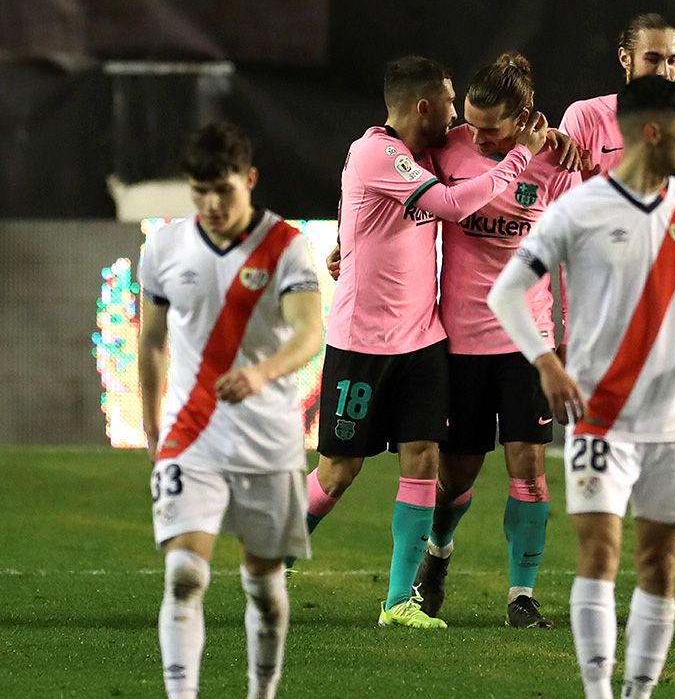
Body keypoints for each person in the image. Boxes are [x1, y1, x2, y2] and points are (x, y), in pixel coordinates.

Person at [489, 76, 675, 699]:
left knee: (659, 565)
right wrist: (543, 360)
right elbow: (507, 289)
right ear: (652, 133)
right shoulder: (580, 208)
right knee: (599, 553)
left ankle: (639, 693)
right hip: (602, 412)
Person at [302, 55, 549, 630]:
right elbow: (449, 203)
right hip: (378, 341)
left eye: (490, 124)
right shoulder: (397, 151)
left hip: (434, 339)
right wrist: (519, 156)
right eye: (452, 101)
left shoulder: (540, 158)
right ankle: (274, 556)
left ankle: (404, 602)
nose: (468, 124)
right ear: (425, 106)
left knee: (435, 460)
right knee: (341, 471)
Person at [558, 11, 675, 626]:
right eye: (652, 59)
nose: (662, 70)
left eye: (672, 60)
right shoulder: (585, 120)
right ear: (624, 60)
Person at [139, 120, 324, 699]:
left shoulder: (286, 246)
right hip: (191, 436)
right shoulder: (164, 247)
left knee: (265, 590)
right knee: (185, 575)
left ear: (249, 179)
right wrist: (152, 426)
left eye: (223, 190)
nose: (212, 205)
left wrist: (263, 372)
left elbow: (310, 333)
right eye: (199, 192)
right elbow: (150, 342)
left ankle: (261, 693)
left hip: (267, 440)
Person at [412, 51, 581, 629]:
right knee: (456, 474)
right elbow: (391, 193)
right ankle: (437, 554)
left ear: (524, 116)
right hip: (459, 340)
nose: (477, 137)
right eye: (473, 124)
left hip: (526, 340)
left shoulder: (558, 163)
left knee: (529, 468)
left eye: (492, 128)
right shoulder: (447, 147)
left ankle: (521, 595)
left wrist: (567, 336)